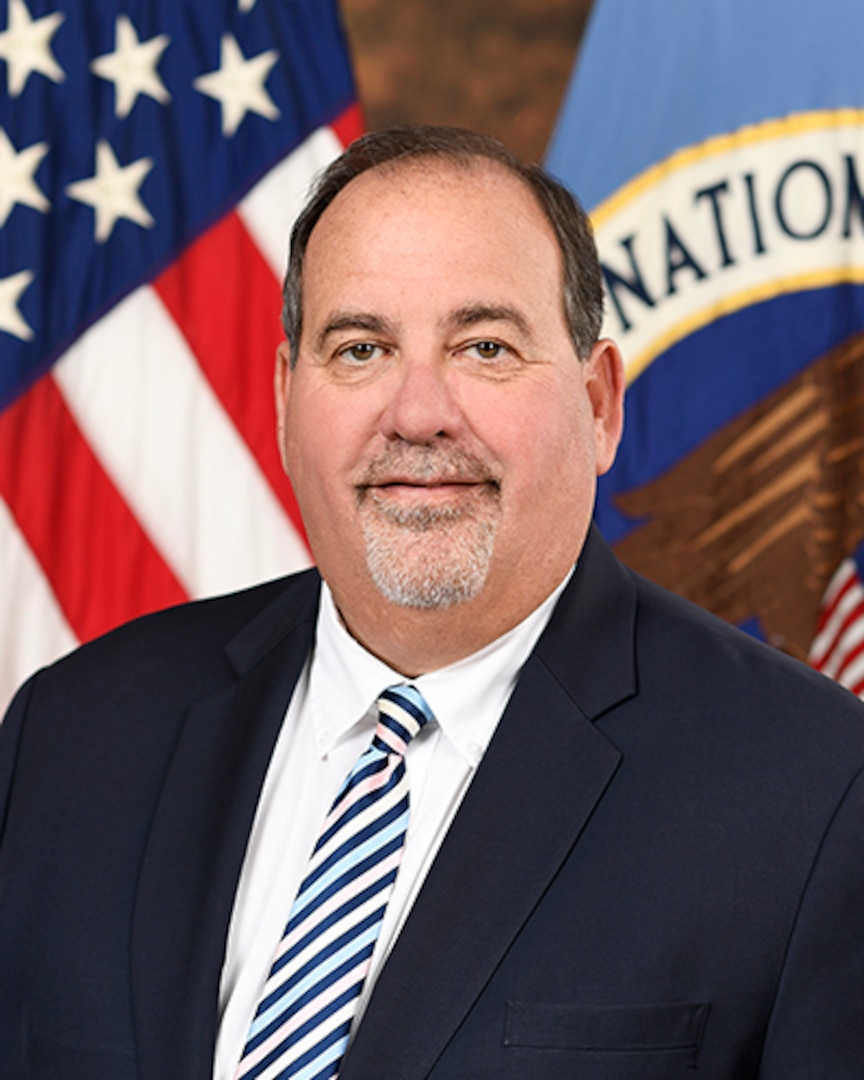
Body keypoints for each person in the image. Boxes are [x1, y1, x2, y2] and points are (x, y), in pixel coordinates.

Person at [2, 125, 864, 1080]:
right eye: (361, 348)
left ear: (599, 405)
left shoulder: (816, 791)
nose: (418, 414)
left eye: (485, 347)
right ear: (286, 401)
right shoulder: (67, 736)